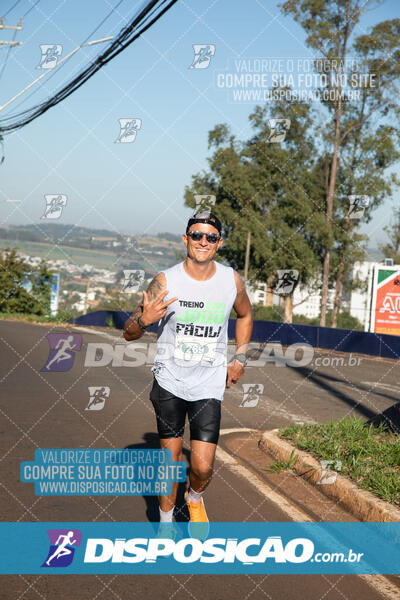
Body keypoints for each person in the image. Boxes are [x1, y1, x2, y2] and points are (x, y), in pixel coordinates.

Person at [123, 211, 253, 530]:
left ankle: (194, 499)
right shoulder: (166, 281)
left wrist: (240, 358)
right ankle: (166, 524)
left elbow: (246, 315)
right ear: (186, 239)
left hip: (208, 384)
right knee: (169, 464)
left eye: (210, 237)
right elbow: (128, 332)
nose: (203, 242)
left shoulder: (230, 280)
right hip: (170, 381)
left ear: (219, 243)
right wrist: (143, 321)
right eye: (197, 235)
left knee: (203, 466)